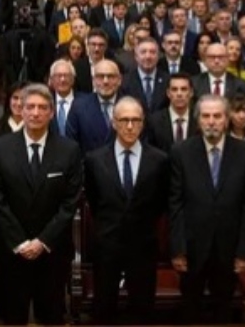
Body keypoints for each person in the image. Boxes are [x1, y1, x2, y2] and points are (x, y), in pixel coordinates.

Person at [0, 84, 82, 325]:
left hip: (52, 251)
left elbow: (70, 203)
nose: (36, 113)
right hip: (12, 251)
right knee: (13, 317)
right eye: (30, 107)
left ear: (51, 112)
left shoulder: (69, 150)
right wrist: (20, 242)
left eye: (42, 108)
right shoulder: (1, 148)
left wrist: (42, 241)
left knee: (51, 316)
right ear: (21, 110)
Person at [170, 94, 245, 323]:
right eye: (206, 116)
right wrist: (178, 249)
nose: (211, 121)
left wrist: (244, 253)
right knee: (190, 310)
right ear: (198, 120)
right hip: (192, 249)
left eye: (217, 116)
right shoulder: (181, 152)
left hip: (229, 250)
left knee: (224, 312)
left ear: (227, 119)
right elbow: (175, 204)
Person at [84, 97, 169, 324]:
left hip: (143, 245)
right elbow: (94, 200)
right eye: (124, 120)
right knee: (104, 308)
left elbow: (161, 202)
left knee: (142, 309)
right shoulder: (94, 160)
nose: (130, 126)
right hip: (107, 245)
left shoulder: (159, 160)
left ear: (142, 123)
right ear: (114, 122)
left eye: (135, 120)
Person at [67, 59, 122, 155]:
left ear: (119, 80)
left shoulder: (132, 106)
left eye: (111, 76)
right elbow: (71, 146)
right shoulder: (79, 107)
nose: (105, 81)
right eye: (100, 76)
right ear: (93, 81)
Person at [148, 72, 195, 154]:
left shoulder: (198, 119)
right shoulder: (154, 121)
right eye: (174, 89)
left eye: (183, 89)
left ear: (191, 93)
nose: (179, 94)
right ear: (168, 93)